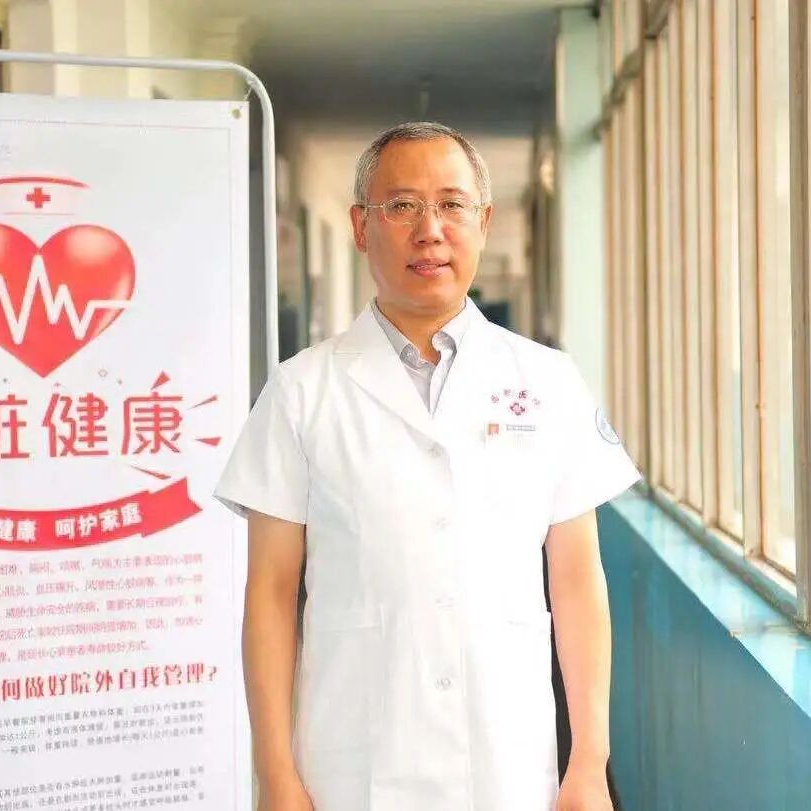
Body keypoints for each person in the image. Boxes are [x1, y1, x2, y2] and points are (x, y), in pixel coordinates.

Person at [215, 122, 641, 811]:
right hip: (354, 760)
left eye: (451, 205)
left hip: (507, 756)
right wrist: (275, 774)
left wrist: (589, 761)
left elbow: (576, 580)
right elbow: (270, 591)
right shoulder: (300, 392)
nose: (430, 230)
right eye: (402, 206)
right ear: (362, 226)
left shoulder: (548, 381)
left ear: (484, 222)